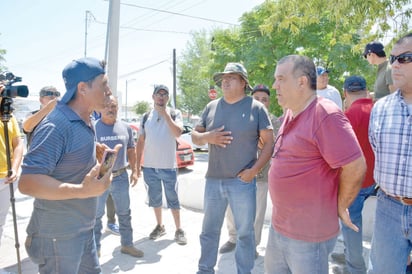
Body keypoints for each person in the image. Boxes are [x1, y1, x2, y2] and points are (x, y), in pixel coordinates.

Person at [266, 55, 366, 274]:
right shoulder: (291, 112)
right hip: (279, 228)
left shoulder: (324, 114)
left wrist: (341, 204)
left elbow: (355, 165)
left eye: (281, 79)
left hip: (309, 237)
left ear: (302, 82)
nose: (275, 85)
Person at [19, 57, 119, 274]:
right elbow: (27, 182)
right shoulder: (57, 125)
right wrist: (82, 191)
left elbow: (66, 160)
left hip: (83, 230)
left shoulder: (84, 119)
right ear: (82, 88)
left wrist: (93, 151)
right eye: (104, 85)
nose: (109, 91)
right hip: (58, 237)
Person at [192, 62, 274, 274]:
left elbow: (269, 143)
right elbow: (195, 136)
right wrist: (207, 137)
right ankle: (204, 269)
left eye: (231, 77)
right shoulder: (211, 107)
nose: (225, 81)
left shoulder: (256, 108)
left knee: (246, 234)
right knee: (209, 231)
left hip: (242, 183)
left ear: (243, 83)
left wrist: (253, 171)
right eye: (223, 78)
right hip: (213, 181)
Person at [367, 32, 412, 274]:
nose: (394, 64)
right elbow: (377, 148)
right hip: (388, 208)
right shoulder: (381, 108)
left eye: (404, 58)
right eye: (393, 58)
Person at [218, 84, 280, 257]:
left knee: (257, 213)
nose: (260, 102)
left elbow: (271, 146)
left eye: (264, 100)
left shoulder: (274, 121)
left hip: (260, 175)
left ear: (269, 102)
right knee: (231, 210)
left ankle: (252, 246)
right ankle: (232, 239)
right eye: (256, 99)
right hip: (235, 174)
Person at [330, 75, 376, 274]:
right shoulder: (378, 110)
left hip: (354, 182)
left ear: (345, 93)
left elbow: (337, 152)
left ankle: (355, 269)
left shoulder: (348, 115)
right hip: (377, 181)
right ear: (366, 91)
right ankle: (351, 259)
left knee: (352, 226)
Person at [135, 84, 187, 245]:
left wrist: (165, 114)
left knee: (173, 199)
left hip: (169, 167)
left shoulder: (174, 113)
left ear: (168, 98)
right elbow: (140, 142)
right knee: (155, 199)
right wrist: (137, 167)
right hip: (150, 167)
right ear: (153, 97)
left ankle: (179, 229)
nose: (161, 97)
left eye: (165, 94)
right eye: (159, 94)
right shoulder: (146, 117)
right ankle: (159, 226)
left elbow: (178, 133)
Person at [94, 96, 143, 257]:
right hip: (99, 177)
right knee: (96, 216)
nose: (110, 109)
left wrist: (135, 171)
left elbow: (131, 150)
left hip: (120, 176)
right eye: (107, 105)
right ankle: (95, 249)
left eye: (113, 106)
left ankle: (127, 245)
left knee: (124, 213)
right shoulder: (92, 128)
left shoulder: (126, 127)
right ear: (100, 108)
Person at [0, 85, 24, 274]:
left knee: (0, 223)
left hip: (6, 179)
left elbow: (18, 144)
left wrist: (15, 168)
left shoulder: (9, 116)